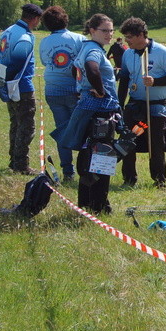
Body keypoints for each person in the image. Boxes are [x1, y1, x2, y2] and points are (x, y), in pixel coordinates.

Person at [52, 14, 120, 214]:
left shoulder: (86, 47)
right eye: (104, 30)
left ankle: (88, 203)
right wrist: (99, 90)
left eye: (111, 30)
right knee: (102, 158)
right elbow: (91, 68)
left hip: (89, 108)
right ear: (92, 30)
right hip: (100, 110)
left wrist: (82, 87)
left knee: (88, 156)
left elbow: (75, 70)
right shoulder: (93, 50)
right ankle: (98, 206)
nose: (109, 34)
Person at [117, 17, 166, 190]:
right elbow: (124, 79)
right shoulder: (128, 53)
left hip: (156, 107)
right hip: (134, 106)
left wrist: (155, 81)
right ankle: (129, 179)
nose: (127, 40)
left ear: (141, 34)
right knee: (128, 141)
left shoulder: (162, 52)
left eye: (129, 37)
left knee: (156, 144)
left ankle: (159, 180)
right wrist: (120, 105)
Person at [0, 3, 42, 175]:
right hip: (21, 85)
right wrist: (4, 78)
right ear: (34, 19)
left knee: (16, 124)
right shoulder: (25, 36)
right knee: (26, 127)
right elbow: (18, 60)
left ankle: (14, 161)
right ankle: (21, 165)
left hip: (9, 84)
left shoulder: (9, 31)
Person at [38, 6, 85, 181]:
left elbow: (45, 61)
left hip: (53, 89)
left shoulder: (44, 42)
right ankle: (85, 168)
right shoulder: (79, 39)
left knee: (62, 130)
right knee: (82, 130)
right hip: (75, 90)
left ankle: (68, 171)